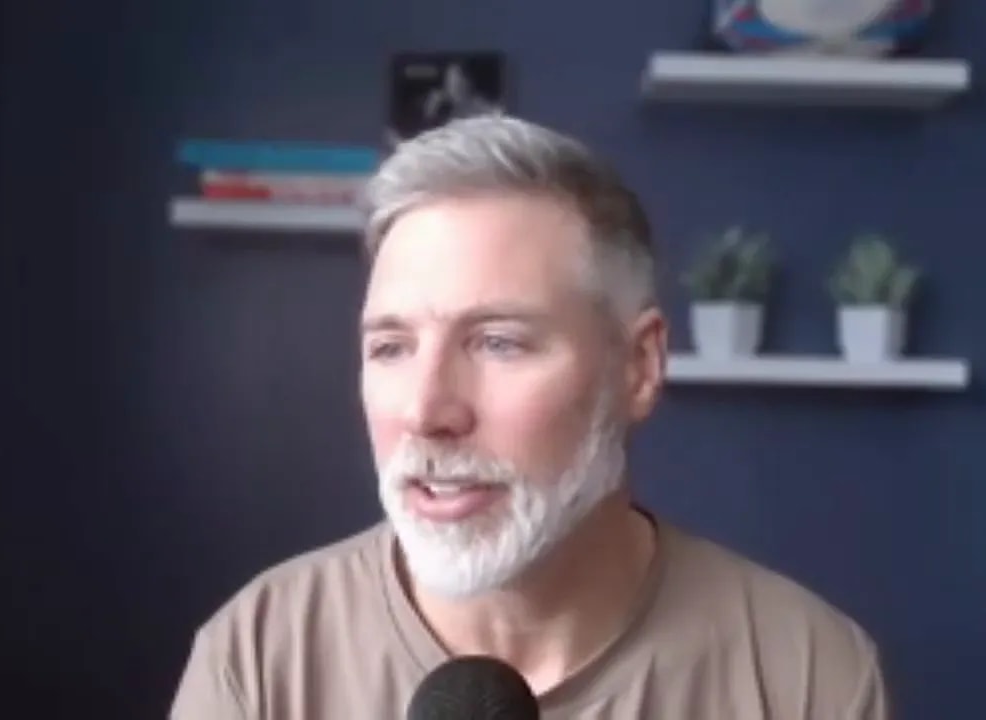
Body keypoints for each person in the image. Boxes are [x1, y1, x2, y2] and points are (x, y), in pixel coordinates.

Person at [169, 115, 891, 719]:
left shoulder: (807, 674)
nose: (426, 412)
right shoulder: (258, 659)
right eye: (391, 347)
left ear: (639, 367)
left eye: (498, 342)